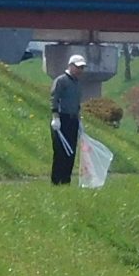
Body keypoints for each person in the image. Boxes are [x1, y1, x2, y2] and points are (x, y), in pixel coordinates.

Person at [50, 51, 88, 186]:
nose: (80, 70)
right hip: (61, 120)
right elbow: (54, 99)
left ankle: (66, 180)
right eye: (78, 67)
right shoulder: (61, 81)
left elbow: (77, 103)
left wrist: (79, 119)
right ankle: (56, 181)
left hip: (73, 119)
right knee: (60, 151)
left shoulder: (77, 83)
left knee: (71, 151)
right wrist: (55, 117)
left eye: (82, 68)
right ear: (70, 66)